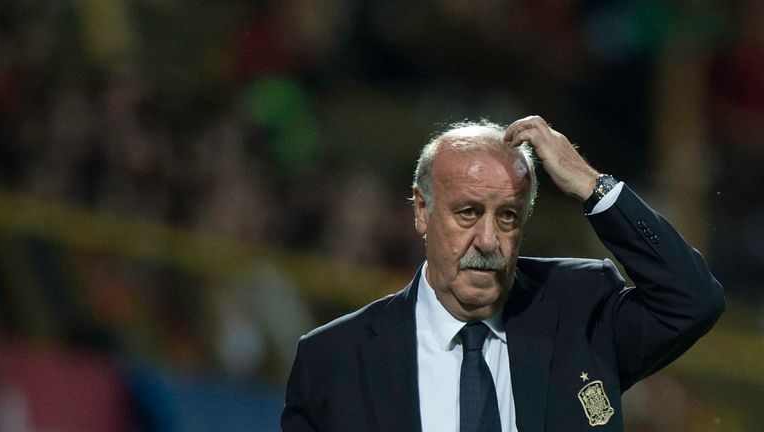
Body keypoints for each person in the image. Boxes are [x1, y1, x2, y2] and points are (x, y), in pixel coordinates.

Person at [280, 116, 725, 431]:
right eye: (469, 213)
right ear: (421, 209)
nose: (489, 240)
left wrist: (593, 186)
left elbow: (693, 301)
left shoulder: (581, 311)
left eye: (508, 216)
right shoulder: (332, 361)